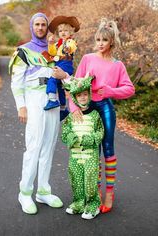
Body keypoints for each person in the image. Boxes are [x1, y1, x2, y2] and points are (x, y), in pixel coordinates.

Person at [53, 18, 135, 214]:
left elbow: (129, 89)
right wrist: (73, 109)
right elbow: (75, 84)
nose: (100, 43)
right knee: (91, 151)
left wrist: (109, 91)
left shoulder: (118, 66)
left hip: (105, 107)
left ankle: (109, 194)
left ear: (111, 42)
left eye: (104, 40)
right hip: (86, 109)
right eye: (97, 39)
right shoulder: (88, 59)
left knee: (107, 148)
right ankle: (93, 193)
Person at [9, 12, 63, 215]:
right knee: (34, 146)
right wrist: (21, 106)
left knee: (48, 146)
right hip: (33, 100)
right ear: (32, 26)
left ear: (47, 27)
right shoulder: (23, 51)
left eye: (43, 25)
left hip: (52, 99)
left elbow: (62, 71)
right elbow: (16, 82)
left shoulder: (55, 49)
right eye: (37, 24)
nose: (40, 28)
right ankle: (25, 192)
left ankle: (43, 190)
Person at [61, 75, 104, 220]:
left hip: (90, 155)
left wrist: (92, 138)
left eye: (85, 94)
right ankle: (78, 203)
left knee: (90, 181)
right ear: (74, 98)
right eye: (79, 95)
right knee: (76, 179)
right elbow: (64, 133)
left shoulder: (95, 115)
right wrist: (69, 138)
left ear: (89, 95)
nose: (83, 98)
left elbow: (100, 132)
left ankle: (93, 205)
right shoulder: (71, 117)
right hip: (75, 155)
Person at [43, 16, 80, 121]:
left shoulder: (69, 42)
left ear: (70, 33)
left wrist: (68, 48)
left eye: (66, 31)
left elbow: (72, 47)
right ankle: (63, 109)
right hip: (59, 62)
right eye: (60, 31)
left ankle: (52, 99)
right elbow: (52, 52)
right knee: (60, 86)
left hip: (65, 63)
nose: (63, 33)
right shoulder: (58, 43)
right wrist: (50, 44)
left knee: (52, 78)